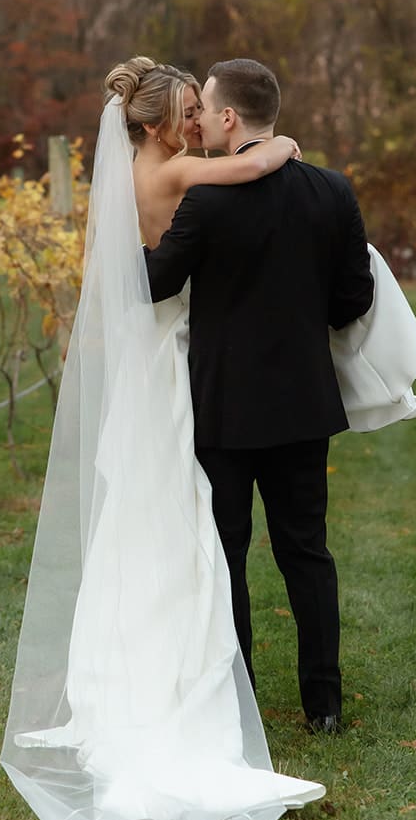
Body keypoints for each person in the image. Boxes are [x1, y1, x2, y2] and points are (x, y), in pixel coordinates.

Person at [0, 58, 325, 820]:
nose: (191, 122)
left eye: (195, 109)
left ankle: (134, 661)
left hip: (152, 351)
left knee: (145, 506)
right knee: (181, 510)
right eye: (183, 110)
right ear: (152, 125)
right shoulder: (180, 168)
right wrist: (278, 143)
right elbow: (248, 163)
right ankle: (191, 668)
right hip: (179, 354)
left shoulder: (126, 184)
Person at [144, 58, 376, 734]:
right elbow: (353, 298)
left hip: (223, 408)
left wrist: (107, 258)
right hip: (303, 401)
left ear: (227, 117)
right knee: (307, 551)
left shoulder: (207, 201)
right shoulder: (331, 191)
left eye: (204, 108)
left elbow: (156, 282)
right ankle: (323, 706)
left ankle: (235, 702)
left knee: (227, 554)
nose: (199, 120)